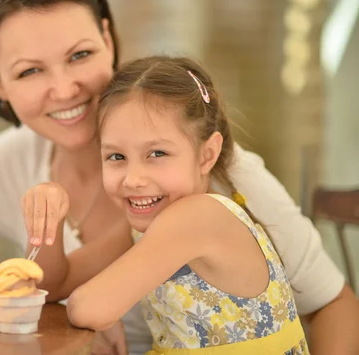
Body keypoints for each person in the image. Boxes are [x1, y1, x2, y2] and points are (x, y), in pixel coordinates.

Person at [0, 0, 359, 355]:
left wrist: (96, 303)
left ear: (109, 40)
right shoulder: (24, 162)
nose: (64, 88)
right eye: (30, 71)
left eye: (80, 55)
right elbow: (60, 283)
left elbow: (333, 304)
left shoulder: (218, 179)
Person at [61, 55, 308, 354]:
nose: (133, 178)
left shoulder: (199, 217)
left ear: (206, 155)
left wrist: (105, 315)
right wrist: (48, 218)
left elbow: (87, 308)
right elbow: (57, 281)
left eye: (157, 154)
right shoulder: (150, 226)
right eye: (116, 157)